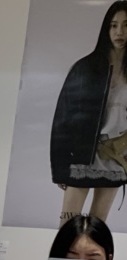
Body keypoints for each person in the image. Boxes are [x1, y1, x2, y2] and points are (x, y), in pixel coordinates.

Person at [52, 1, 127, 226]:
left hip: (115, 158)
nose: (120, 32)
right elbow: (63, 119)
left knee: (98, 227)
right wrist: (60, 168)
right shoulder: (84, 68)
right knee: (67, 226)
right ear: (106, 29)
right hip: (82, 155)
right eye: (113, 25)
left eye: (126, 25)